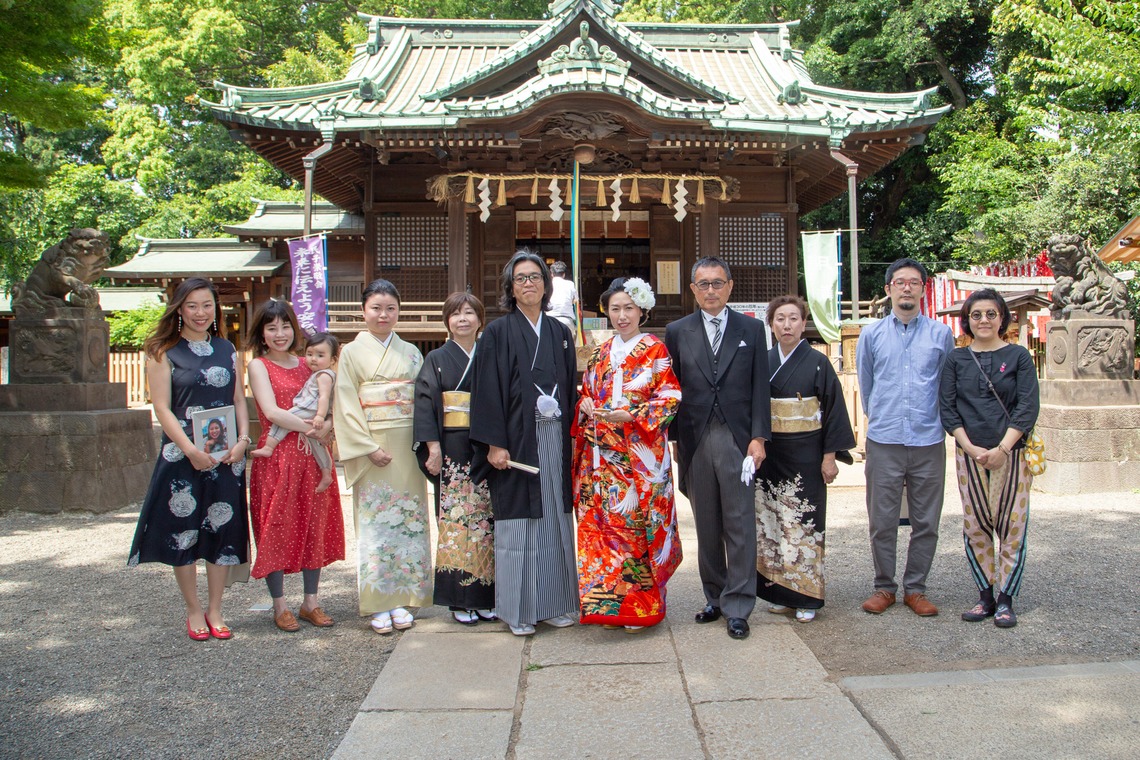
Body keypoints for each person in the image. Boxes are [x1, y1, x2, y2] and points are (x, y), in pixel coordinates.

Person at [127, 277, 250, 641]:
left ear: (216, 308)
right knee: (184, 532)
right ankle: (194, 609)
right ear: (179, 308)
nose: (200, 313)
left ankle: (215, 608)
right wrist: (191, 450)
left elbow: (239, 400)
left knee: (220, 529)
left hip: (227, 454)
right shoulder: (163, 350)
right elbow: (161, 407)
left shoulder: (227, 348)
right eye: (192, 305)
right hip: (182, 454)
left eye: (207, 305)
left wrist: (243, 440)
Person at [469, 251, 580, 636]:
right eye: (521, 278)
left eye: (535, 277)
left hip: (554, 437)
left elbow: (569, 389)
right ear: (510, 288)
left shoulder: (559, 333)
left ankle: (554, 603)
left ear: (547, 286)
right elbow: (486, 392)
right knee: (520, 525)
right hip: (516, 442)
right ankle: (519, 610)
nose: (529, 283)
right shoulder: (498, 333)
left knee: (554, 519)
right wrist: (494, 444)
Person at [664, 256, 771, 640]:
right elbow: (670, 389)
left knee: (739, 521)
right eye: (703, 284)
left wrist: (759, 437)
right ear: (693, 290)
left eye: (717, 283)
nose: (711, 290)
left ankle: (739, 604)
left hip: (737, 436)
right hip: (695, 435)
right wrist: (674, 438)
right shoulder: (677, 331)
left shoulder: (752, 330)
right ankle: (714, 596)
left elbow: (761, 387)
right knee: (706, 523)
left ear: (730, 285)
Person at [573, 277, 682, 632]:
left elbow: (669, 397)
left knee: (635, 528)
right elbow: (587, 390)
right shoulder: (601, 352)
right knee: (604, 529)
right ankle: (609, 605)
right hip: (601, 458)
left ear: (642, 311)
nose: (622, 316)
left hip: (637, 458)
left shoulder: (655, 350)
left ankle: (642, 607)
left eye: (629, 309)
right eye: (615, 309)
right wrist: (585, 402)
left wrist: (633, 415)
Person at [856, 258, 955, 617]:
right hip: (885, 439)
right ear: (889, 289)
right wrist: (882, 417)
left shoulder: (941, 334)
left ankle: (916, 588)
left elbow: (947, 385)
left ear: (923, 288)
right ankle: (884, 587)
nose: (907, 288)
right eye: (900, 282)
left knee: (926, 520)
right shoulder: (871, 334)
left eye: (914, 282)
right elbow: (866, 386)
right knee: (881, 520)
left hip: (929, 439)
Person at [334, 279, 431, 635]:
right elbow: (345, 403)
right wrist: (367, 447)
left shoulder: (410, 352)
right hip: (373, 445)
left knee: (409, 520)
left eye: (391, 308)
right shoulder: (351, 353)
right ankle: (378, 602)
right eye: (376, 308)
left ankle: (405, 598)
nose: (383, 314)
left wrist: (425, 442)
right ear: (364, 311)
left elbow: (423, 400)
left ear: (398, 312)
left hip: (406, 444)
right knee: (376, 524)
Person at [940, 289, 1039, 628]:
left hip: (1012, 453)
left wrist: (1002, 449)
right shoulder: (956, 359)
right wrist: (971, 448)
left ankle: (1006, 600)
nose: (983, 320)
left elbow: (1027, 406)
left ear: (1002, 318)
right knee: (976, 525)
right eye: (976, 314)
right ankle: (984, 595)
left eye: (990, 314)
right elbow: (948, 409)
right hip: (970, 454)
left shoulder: (1018, 357)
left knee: (1012, 525)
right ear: (967, 320)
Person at [756, 295, 855, 623]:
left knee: (805, 523)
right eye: (780, 319)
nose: (787, 325)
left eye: (794, 318)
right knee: (773, 522)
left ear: (803, 323)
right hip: (770, 455)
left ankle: (807, 596)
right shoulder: (763, 361)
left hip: (807, 454)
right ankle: (781, 593)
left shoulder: (818, 363)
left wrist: (829, 457)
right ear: (771, 324)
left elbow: (834, 411)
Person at [247, 300, 345, 632]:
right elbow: (272, 412)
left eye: (285, 326)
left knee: (313, 525)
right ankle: (279, 605)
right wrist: (312, 427)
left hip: (310, 457)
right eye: (271, 327)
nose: (280, 334)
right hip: (278, 458)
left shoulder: (311, 363)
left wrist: (329, 422)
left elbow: (332, 401)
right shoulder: (259, 365)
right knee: (276, 526)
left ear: (295, 328)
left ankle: (311, 602)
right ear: (261, 332)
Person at [414, 293, 496, 625]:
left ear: (480, 319)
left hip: (486, 447)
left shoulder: (489, 355)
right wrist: (432, 448)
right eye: (456, 314)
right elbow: (424, 401)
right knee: (457, 522)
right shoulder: (436, 358)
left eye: (469, 313)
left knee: (487, 524)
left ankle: (488, 595)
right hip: (452, 449)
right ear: (447, 320)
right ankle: (460, 600)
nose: (463, 319)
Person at [252, 332, 339, 494]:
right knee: (318, 444)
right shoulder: (261, 364)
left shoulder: (321, 373)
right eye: (310, 354)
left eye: (320, 355)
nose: (313, 359)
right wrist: (317, 428)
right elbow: (271, 413)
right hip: (290, 449)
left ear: (332, 360)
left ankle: (269, 446)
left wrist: (324, 420)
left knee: (283, 420)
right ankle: (326, 471)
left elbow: (326, 398)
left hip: (308, 411)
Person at [547, 261, 579, 339]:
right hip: (567, 320)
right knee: (567, 347)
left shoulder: (547, 284)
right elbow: (576, 300)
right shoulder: (570, 284)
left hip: (550, 320)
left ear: (551, 274)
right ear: (563, 274)